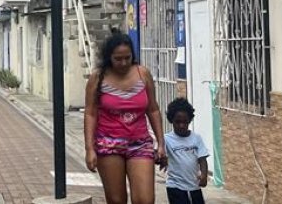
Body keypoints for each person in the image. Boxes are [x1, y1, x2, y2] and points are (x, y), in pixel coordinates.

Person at [84, 32, 166, 204]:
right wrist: (90, 149)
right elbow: (90, 113)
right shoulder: (97, 78)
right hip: (108, 145)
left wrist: (161, 143)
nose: (123, 63)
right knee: (116, 200)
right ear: (109, 58)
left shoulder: (143, 74)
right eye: (118, 59)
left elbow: (153, 110)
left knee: (145, 199)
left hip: (140, 143)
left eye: (127, 58)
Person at [162, 97, 210, 204]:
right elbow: (159, 155)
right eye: (177, 122)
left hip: (194, 186)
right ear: (171, 120)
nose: (181, 125)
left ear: (189, 121)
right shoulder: (166, 139)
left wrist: (204, 175)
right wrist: (161, 159)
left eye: (185, 122)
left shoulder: (196, 138)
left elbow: (202, 159)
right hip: (175, 185)